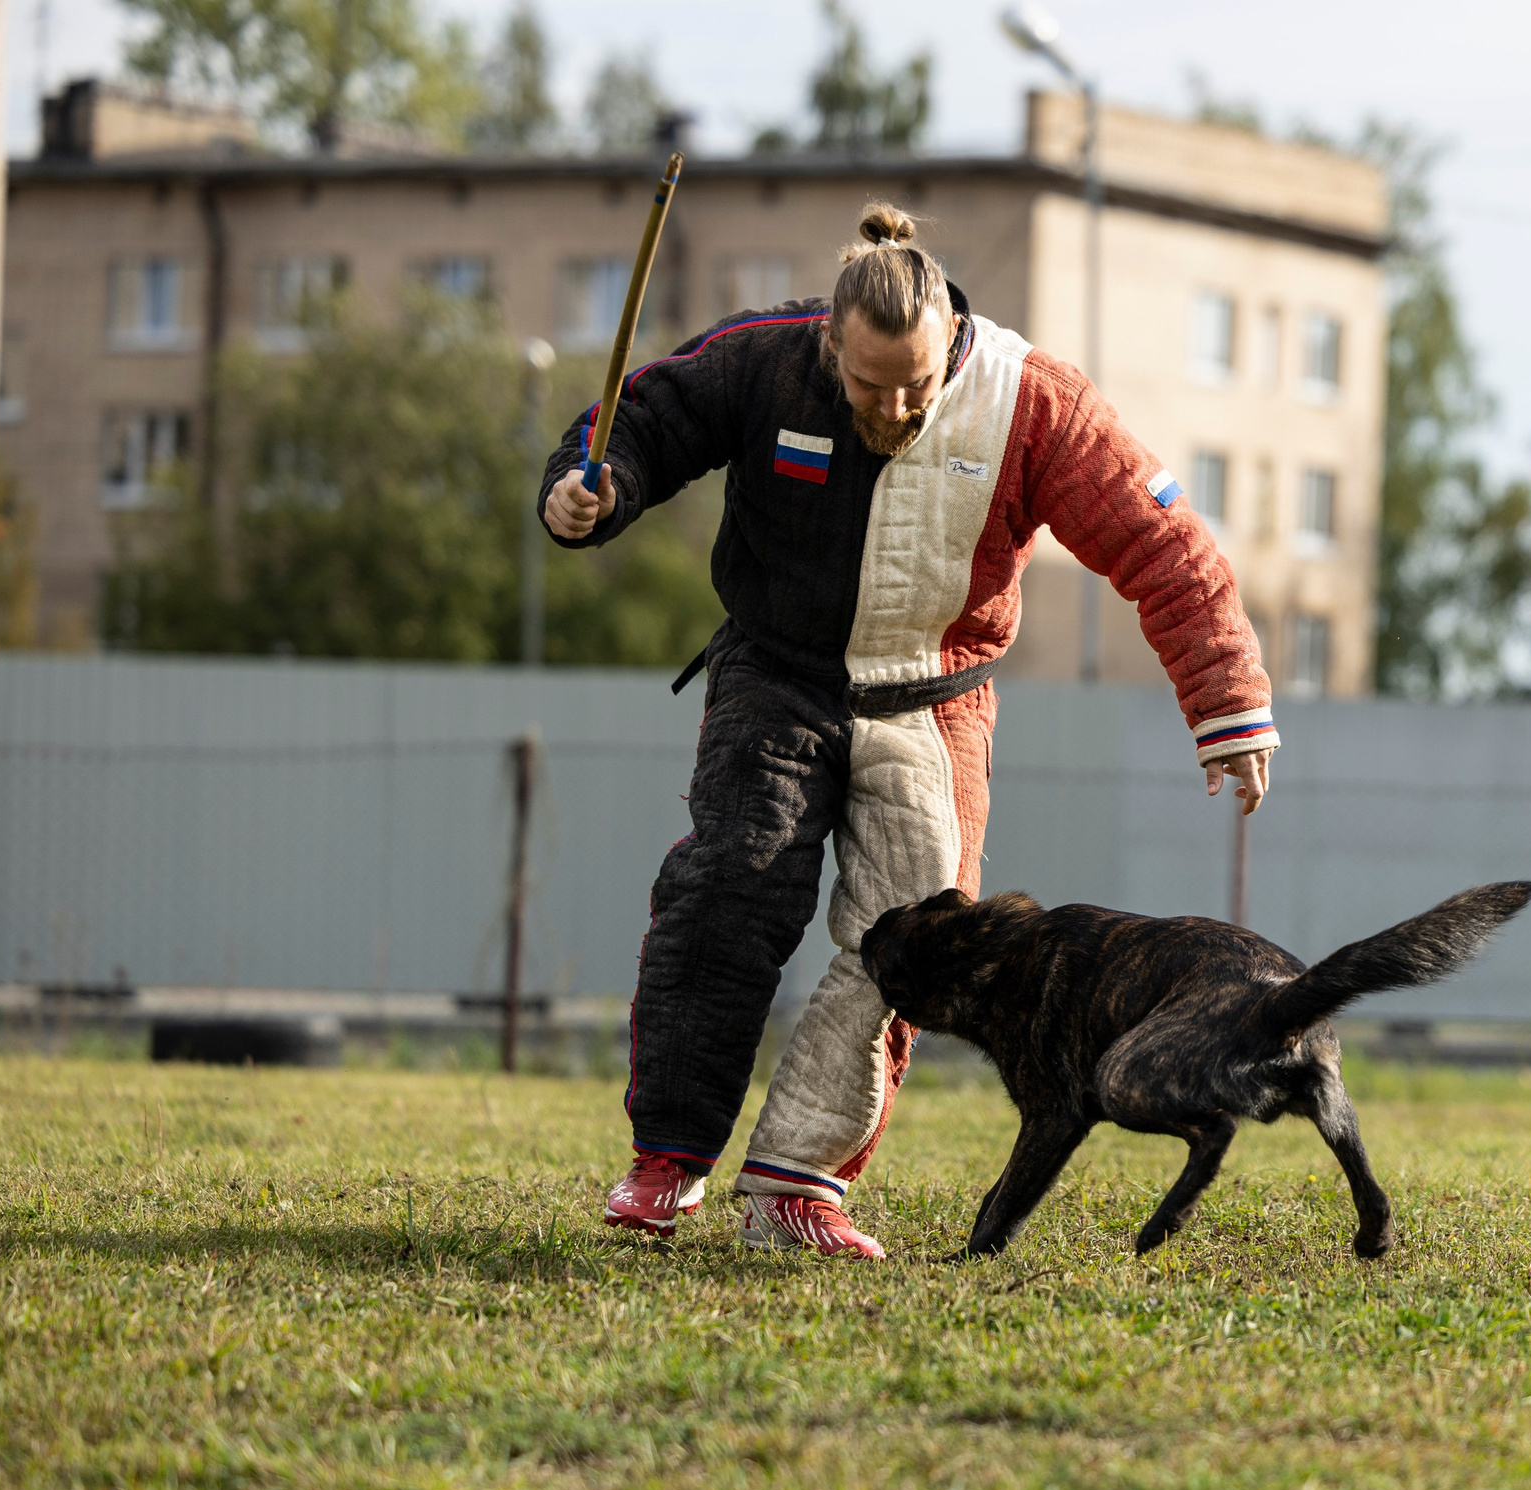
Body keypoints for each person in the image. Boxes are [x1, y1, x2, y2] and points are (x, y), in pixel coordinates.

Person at [539, 202, 1278, 1258]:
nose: (892, 406)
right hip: (776, 678)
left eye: (916, 386)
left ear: (951, 342)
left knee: (920, 937)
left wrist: (1225, 703)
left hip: (937, 698)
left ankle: (799, 1185)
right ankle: (668, 1160)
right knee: (734, 883)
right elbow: (637, 425)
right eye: (867, 385)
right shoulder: (762, 361)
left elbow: (1160, 542)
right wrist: (589, 494)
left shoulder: (1036, 402)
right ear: (828, 340)